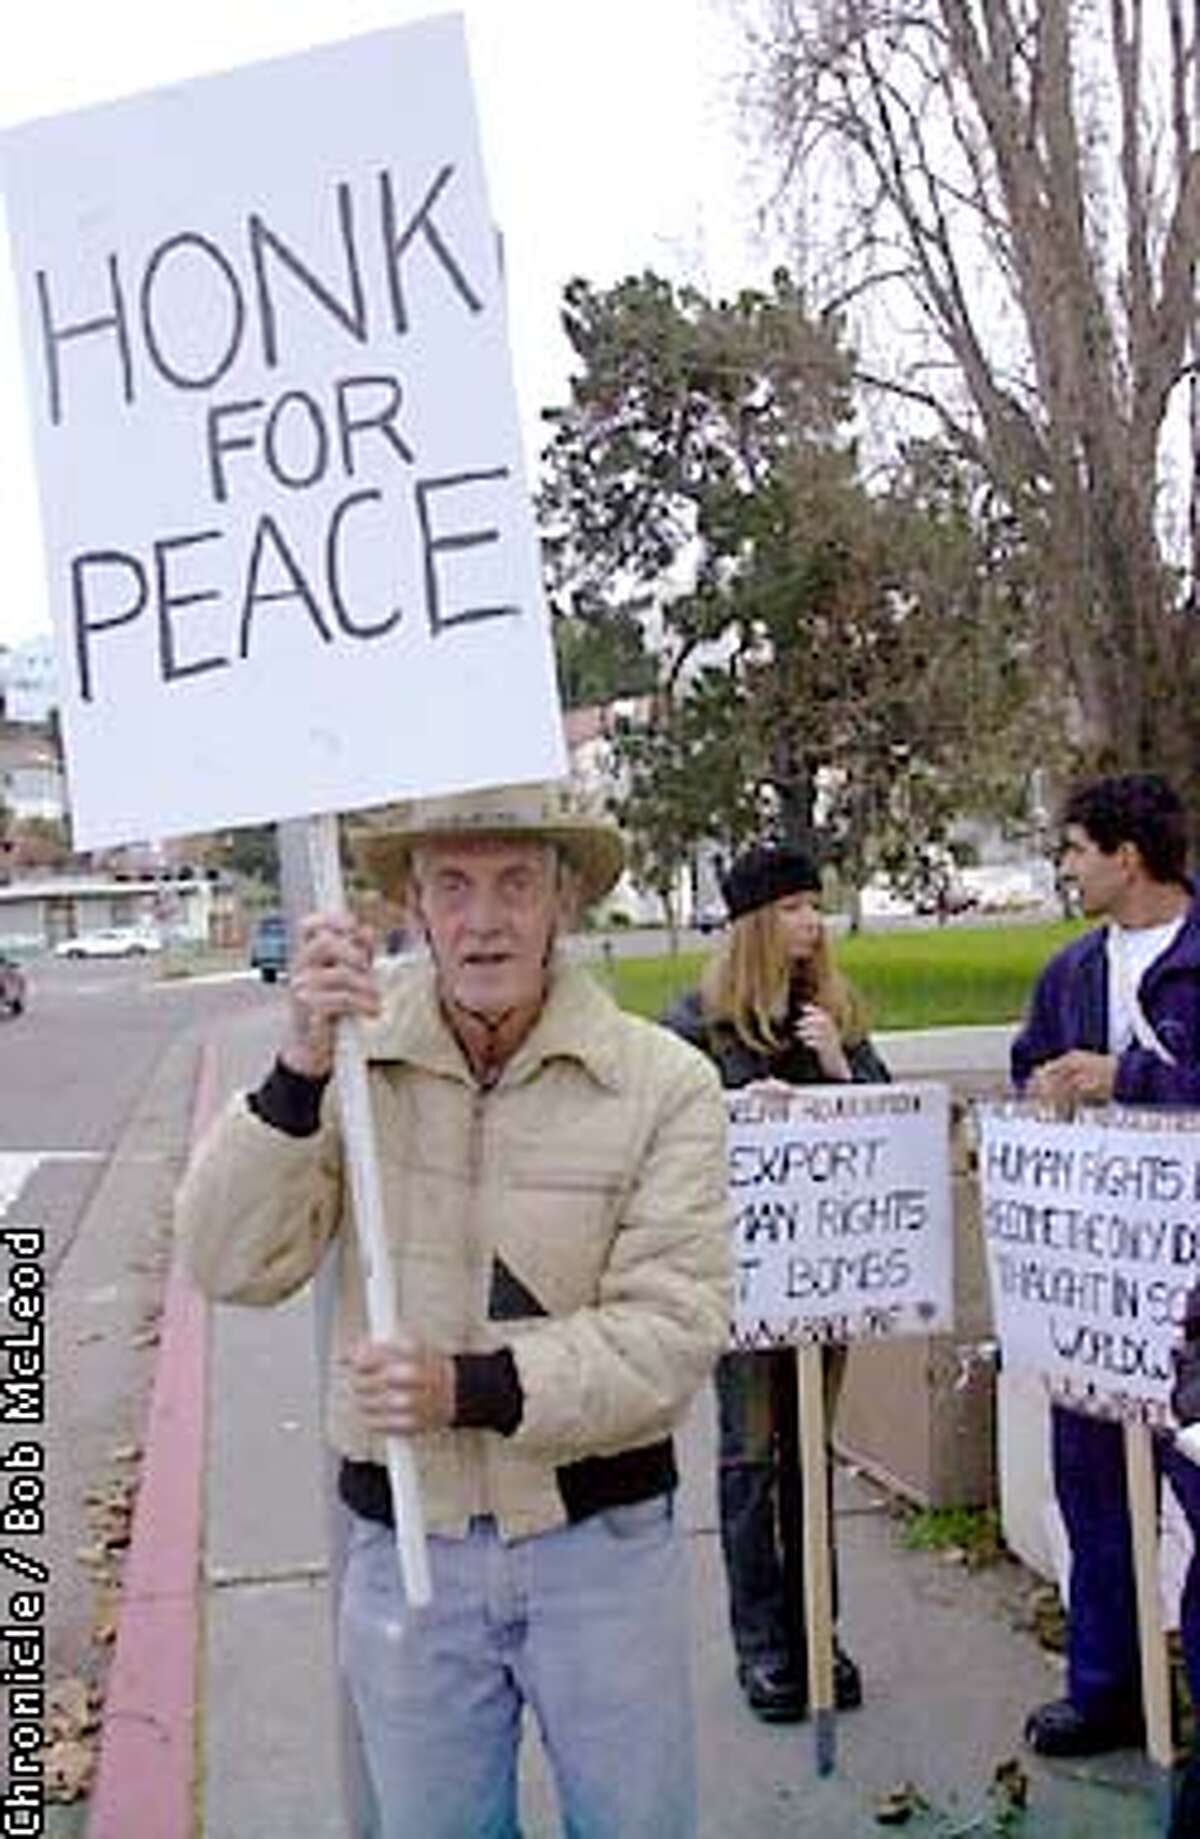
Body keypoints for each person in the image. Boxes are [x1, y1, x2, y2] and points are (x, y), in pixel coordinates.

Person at [177, 782, 731, 1839]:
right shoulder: (348, 1061)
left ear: (563, 902)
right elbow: (228, 1259)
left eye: (516, 883)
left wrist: (466, 1388)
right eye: (455, 886)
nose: (485, 919)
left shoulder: (664, 1084)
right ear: (417, 908)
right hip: (407, 1553)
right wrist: (296, 1070)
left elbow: (674, 1330)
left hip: (601, 1546)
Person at [663, 841, 888, 1723]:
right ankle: (763, 1641)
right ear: (759, 921)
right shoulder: (696, 1022)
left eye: (815, 905)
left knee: (810, 1455)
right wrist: (736, 1108)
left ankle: (816, 1630)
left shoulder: (833, 1011)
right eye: (793, 907)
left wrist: (838, 1066)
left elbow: (888, 1127)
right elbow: (666, 1134)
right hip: (744, 1282)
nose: (811, 922)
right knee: (751, 1459)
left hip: (824, 1278)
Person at [1012, 772, 1200, 1758]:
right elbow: (1027, 1063)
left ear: (1129, 857)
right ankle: (1107, 1689)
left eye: (1077, 849)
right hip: (1099, 1278)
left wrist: (1130, 1076)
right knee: (1093, 1491)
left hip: (1194, 1292)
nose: (1066, 867)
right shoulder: (1070, 974)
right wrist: (1043, 1085)